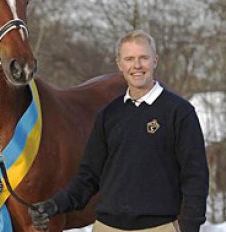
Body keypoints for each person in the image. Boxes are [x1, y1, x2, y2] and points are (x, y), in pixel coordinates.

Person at [28, 30, 209, 232]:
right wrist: (55, 205)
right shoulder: (109, 114)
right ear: (119, 64)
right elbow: (89, 178)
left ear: (155, 61)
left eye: (143, 58)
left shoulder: (180, 112)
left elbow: (195, 176)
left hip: (160, 227)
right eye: (129, 59)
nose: (137, 66)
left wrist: (190, 225)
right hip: (107, 227)